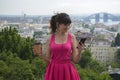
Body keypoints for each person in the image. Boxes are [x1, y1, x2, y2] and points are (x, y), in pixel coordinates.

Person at [38, 13, 83, 80]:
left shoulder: (72, 37)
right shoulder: (50, 39)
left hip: (68, 71)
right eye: (65, 25)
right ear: (58, 24)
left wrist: (79, 51)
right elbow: (48, 60)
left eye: (68, 25)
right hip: (53, 70)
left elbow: (75, 60)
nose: (67, 27)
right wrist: (41, 54)